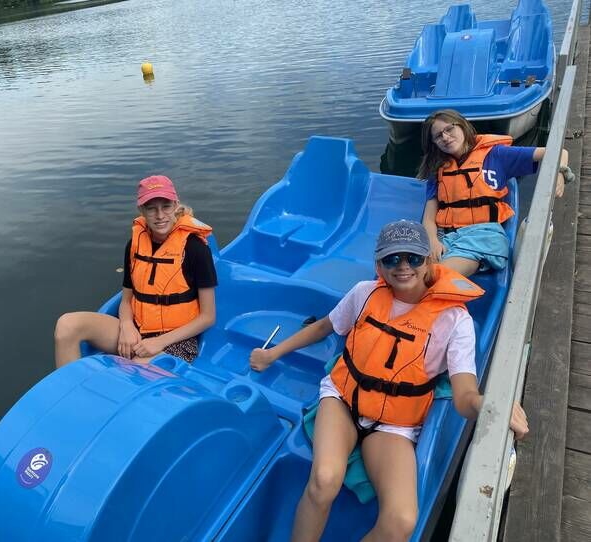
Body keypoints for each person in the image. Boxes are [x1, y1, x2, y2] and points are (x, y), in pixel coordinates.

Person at [249, 220, 529, 542]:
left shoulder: (455, 320)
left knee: (402, 521)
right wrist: (272, 354)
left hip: (394, 425)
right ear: (379, 265)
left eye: (413, 257)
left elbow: (464, 395)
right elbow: (324, 326)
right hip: (343, 400)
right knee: (324, 480)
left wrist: (487, 404)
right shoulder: (364, 293)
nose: (403, 266)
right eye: (392, 258)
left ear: (429, 260)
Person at [54, 175, 218, 368]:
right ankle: (69, 384)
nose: (160, 215)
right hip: (136, 330)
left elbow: (208, 317)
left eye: (166, 206)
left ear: (175, 205)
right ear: (141, 210)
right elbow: (126, 301)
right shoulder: (135, 245)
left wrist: (159, 341)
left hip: (177, 339)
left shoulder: (195, 249)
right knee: (67, 325)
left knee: (134, 370)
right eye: (151, 208)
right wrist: (126, 326)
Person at [419, 109, 572, 276]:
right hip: (447, 236)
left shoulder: (497, 155)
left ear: (462, 125)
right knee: (413, 269)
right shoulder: (438, 169)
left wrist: (561, 173)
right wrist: (433, 241)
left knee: (435, 276)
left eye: (449, 129)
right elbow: (429, 217)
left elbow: (559, 152)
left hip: (484, 237)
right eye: (438, 136)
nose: (445, 137)